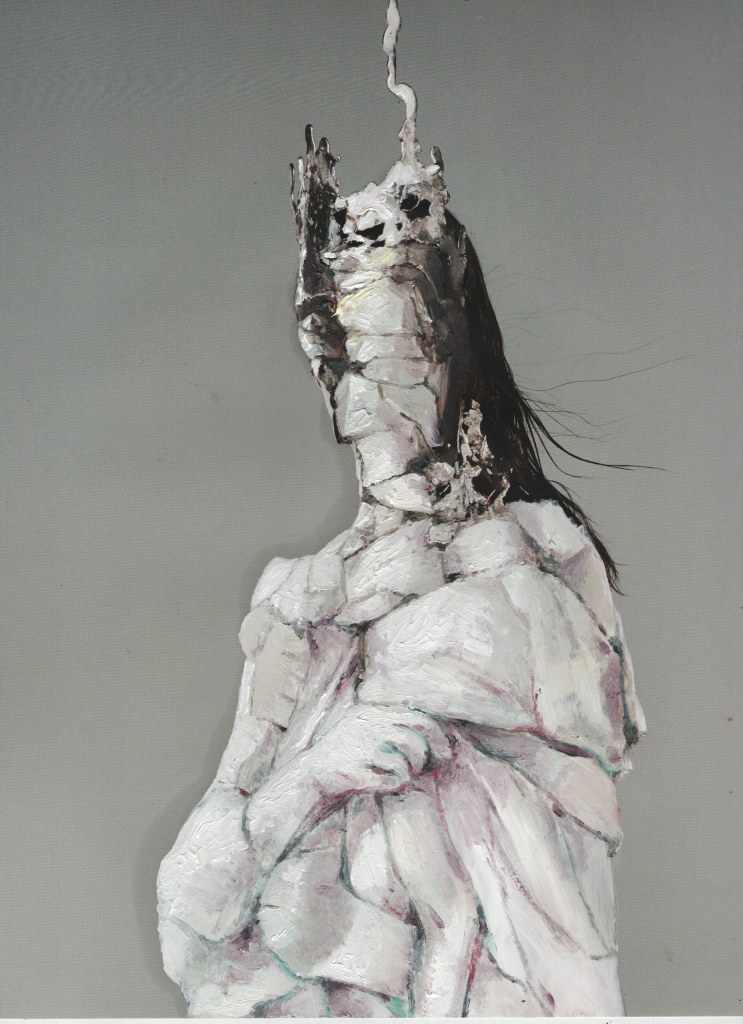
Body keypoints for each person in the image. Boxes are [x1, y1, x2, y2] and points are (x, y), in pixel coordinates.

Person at [157, 8, 645, 1015]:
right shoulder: (299, 603)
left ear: (453, 370)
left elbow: (575, 791)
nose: (367, 397)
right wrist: (316, 776)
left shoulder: (537, 564)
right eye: (351, 367)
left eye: (397, 360)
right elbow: (191, 913)